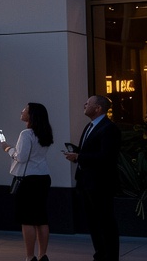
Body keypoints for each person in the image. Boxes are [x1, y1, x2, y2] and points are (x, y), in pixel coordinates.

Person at [64, 95, 120, 261]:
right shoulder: (90, 126)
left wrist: (79, 157)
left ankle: (110, 256)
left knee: (105, 222)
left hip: (100, 184)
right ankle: (100, 254)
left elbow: (106, 156)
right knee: (94, 223)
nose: (84, 104)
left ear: (98, 108)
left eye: (88, 103)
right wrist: (78, 153)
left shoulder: (109, 128)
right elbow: (90, 151)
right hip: (86, 182)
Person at [3, 102, 53, 261]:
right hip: (43, 177)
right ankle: (43, 254)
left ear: (31, 115)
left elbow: (21, 157)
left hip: (28, 180)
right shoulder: (45, 132)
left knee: (27, 219)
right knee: (41, 218)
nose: (22, 110)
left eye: (25, 109)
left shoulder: (26, 134)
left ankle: (30, 256)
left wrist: (8, 149)